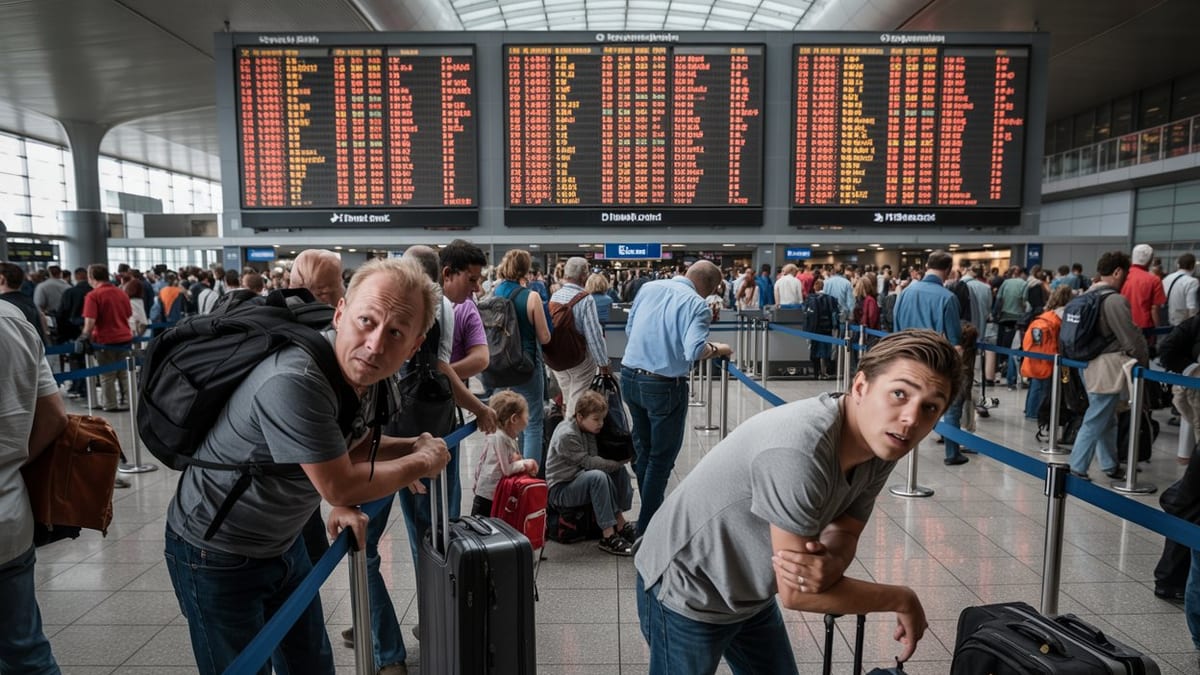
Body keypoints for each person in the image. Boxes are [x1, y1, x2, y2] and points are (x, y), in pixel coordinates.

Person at [164, 258, 452, 675]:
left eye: (395, 333)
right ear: (340, 313)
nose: (374, 344)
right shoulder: (296, 378)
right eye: (366, 321)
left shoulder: (369, 374)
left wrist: (413, 444)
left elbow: (354, 444)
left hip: (284, 541)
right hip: (215, 553)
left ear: (414, 345)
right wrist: (420, 461)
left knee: (312, 665)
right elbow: (341, 485)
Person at [635, 330, 958, 674]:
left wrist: (828, 565)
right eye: (899, 394)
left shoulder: (883, 443)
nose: (911, 418)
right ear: (861, 387)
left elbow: (847, 531)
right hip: (688, 588)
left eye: (930, 407)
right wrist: (902, 598)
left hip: (750, 589)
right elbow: (799, 595)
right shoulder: (800, 449)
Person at [621, 260, 731, 536]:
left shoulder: (649, 287)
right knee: (661, 459)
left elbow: (629, 329)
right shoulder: (698, 305)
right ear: (710, 288)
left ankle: (648, 518)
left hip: (630, 377)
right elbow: (694, 350)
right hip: (663, 386)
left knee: (644, 452)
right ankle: (648, 528)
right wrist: (718, 348)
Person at [0, 300, 68, 673]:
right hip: (9, 519)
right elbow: (54, 416)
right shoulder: (11, 319)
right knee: (26, 651)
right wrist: (14, 463)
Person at [1068, 251, 1149, 481]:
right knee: (1097, 416)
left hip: (1086, 363)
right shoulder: (1114, 300)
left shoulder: (1087, 295)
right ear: (1117, 272)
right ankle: (1077, 465)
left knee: (1106, 416)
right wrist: (1142, 362)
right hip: (1107, 367)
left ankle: (1109, 464)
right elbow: (1130, 338)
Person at [893, 250, 964, 464]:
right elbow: (955, 341)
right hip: (935, 365)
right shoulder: (948, 298)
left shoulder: (905, 292)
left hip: (905, 359)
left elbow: (895, 327)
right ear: (949, 271)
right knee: (951, 405)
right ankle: (952, 452)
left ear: (926, 266)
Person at [545, 390, 636, 555]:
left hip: (577, 478)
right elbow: (590, 462)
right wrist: (617, 463)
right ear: (580, 416)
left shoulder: (588, 429)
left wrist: (618, 465)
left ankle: (620, 523)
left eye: (602, 419)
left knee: (618, 472)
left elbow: (593, 458)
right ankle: (608, 535)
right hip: (561, 489)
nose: (600, 424)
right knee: (598, 476)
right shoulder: (567, 435)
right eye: (596, 419)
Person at [493, 249, 552, 463]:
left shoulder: (494, 293)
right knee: (533, 422)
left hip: (499, 366)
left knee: (503, 421)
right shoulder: (531, 297)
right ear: (526, 269)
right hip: (526, 366)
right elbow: (544, 337)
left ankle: (507, 468)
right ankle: (529, 477)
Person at [549, 257, 610, 418]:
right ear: (584, 276)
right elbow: (594, 336)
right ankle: (570, 434)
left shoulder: (555, 296)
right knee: (577, 399)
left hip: (557, 359)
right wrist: (603, 363)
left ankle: (565, 424)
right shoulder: (585, 298)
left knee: (568, 395)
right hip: (578, 358)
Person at [471, 391, 538, 516]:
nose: (528, 417)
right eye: (526, 414)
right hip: (488, 495)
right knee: (483, 529)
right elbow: (506, 469)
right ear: (514, 419)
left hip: (493, 492)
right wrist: (526, 463)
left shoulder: (506, 436)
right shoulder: (499, 437)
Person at [80, 264, 134, 412]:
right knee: (125, 373)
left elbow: (90, 321)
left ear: (91, 278)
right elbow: (128, 313)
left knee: (107, 374)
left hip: (104, 340)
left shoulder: (93, 295)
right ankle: (131, 402)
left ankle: (110, 404)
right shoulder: (121, 292)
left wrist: (84, 336)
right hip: (124, 338)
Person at [1123, 244, 1167, 332]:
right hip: (1145, 328)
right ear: (1150, 260)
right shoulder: (1154, 280)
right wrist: (1157, 331)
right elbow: (1154, 309)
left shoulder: (1122, 276)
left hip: (1123, 324)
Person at [1162, 253, 1199, 326]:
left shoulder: (1167, 278)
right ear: (1192, 265)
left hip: (1166, 321)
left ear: (1178, 265)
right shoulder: (1192, 281)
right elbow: (1191, 307)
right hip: (1182, 324)